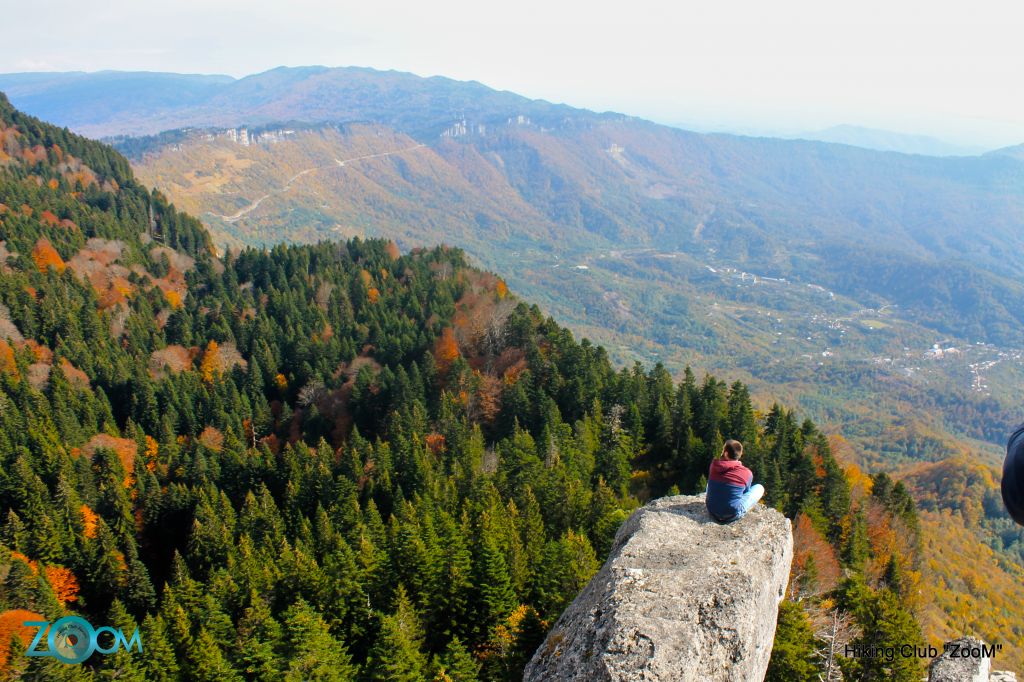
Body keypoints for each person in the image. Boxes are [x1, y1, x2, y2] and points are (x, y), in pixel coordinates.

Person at [705, 439, 764, 523]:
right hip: (731, 515)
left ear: (726, 453)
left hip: (711, 510)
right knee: (759, 487)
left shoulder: (714, 465)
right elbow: (745, 492)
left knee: (709, 485)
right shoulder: (747, 473)